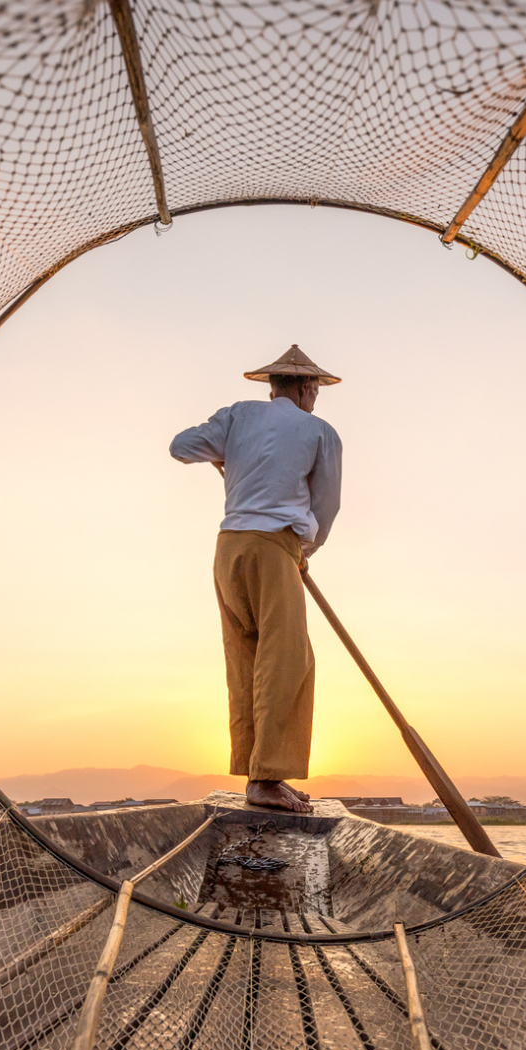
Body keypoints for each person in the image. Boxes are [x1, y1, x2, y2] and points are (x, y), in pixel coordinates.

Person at [169, 344, 343, 813]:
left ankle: (258, 774)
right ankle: (266, 778)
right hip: (273, 548)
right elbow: (326, 507)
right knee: (287, 660)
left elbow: (180, 446)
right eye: (315, 390)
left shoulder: (237, 417)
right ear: (307, 388)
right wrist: (303, 551)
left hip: (229, 549)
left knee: (245, 654)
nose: (314, 398)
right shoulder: (319, 431)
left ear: (272, 387)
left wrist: (221, 454)